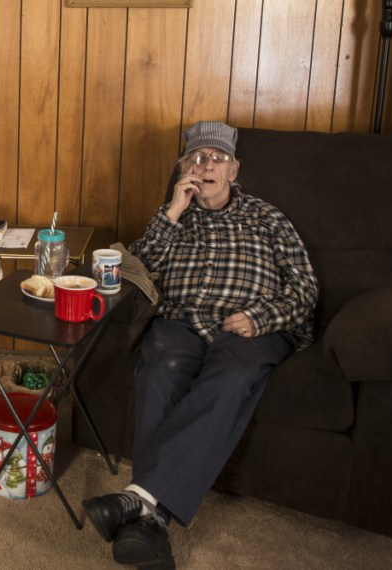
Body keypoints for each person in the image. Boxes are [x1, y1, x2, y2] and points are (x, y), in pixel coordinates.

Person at [81, 121, 318, 569]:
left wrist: (260, 317)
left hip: (250, 327)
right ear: (183, 169)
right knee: (157, 364)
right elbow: (135, 271)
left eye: (217, 158)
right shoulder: (174, 214)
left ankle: (140, 498)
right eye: (197, 157)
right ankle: (151, 522)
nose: (206, 165)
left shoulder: (267, 218)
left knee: (234, 374)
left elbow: (305, 288)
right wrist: (171, 211)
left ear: (235, 170)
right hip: (182, 322)